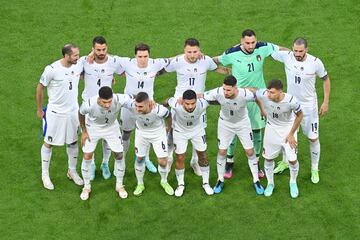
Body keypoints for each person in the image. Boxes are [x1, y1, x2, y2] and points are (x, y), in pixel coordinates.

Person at [213, 29, 284, 179]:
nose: (251, 46)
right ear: (241, 42)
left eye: (253, 42)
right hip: (238, 98)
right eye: (247, 43)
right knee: (232, 131)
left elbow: (280, 49)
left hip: (258, 97)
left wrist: (294, 56)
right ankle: (230, 162)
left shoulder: (262, 47)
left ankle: (256, 162)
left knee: (257, 131)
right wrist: (222, 70)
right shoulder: (232, 52)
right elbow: (215, 61)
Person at [165, 38, 229, 176]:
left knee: (198, 131)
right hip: (179, 102)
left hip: (198, 102)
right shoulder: (177, 61)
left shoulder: (205, 60)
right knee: (172, 130)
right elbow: (162, 67)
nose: (192, 55)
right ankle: (169, 157)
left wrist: (231, 71)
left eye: (195, 51)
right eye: (189, 52)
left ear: (199, 50)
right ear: (184, 51)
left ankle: (195, 161)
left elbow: (217, 68)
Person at [271, 38, 330, 183]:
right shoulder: (287, 56)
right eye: (295, 50)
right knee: (287, 135)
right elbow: (269, 48)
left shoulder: (316, 62)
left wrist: (326, 101)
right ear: (292, 48)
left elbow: (326, 80)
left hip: (309, 106)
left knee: (312, 137)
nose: (297, 54)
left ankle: (314, 169)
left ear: (306, 50)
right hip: (290, 104)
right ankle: (285, 161)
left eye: (300, 51)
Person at [204, 75, 264, 195]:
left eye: (228, 90)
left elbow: (257, 97)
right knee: (222, 151)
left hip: (243, 124)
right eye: (224, 89)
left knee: (250, 152)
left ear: (235, 88)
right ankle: (220, 180)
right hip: (225, 124)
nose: (225, 92)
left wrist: (262, 110)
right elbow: (202, 96)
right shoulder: (218, 91)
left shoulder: (245, 94)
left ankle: (256, 180)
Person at [36, 44, 84, 190]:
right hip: (55, 114)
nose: (77, 57)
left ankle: (72, 171)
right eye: (75, 55)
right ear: (66, 56)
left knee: (73, 142)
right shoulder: (51, 70)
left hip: (73, 113)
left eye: (78, 54)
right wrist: (39, 109)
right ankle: (45, 174)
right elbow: (40, 87)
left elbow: (90, 58)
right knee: (48, 143)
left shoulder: (78, 64)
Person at [117, 43, 170, 174]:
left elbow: (173, 59)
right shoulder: (127, 63)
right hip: (129, 105)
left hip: (148, 106)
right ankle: (121, 161)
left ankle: (145, 159)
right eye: (140, 56)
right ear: (135, 56)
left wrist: (190, 55)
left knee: (148, 133)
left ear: (149, 55)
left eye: (145, 56)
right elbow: (108, 57)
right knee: (126, 133)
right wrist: (91, 55)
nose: (143, 59)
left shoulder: (155, 63)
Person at [81, 36, 124, 181]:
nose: (101, 52)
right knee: (90, 141)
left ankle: (105, 163)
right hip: (90, 107)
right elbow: (75, 71)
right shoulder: (85, 61)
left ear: (107, 48)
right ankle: (91, 164)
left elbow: (125, 72)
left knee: (107, 139)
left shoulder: (113, 62)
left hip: (107, 105)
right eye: (98, 50)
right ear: (92, 49)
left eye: (104, 49)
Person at [78, 87, 131, 200]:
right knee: (87, 155)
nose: (107, 105)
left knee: (119, 154)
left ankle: (119, 185)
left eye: (109, 101)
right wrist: (83, 131)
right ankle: (86, 187)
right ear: (99, 99)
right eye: (104, 102)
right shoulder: (89, 104)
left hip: (111, 127)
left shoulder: (118, 98)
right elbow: (81, 113)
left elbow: (133, 98)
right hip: (93, 128)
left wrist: (147, 101)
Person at [253, 79, 303, 198]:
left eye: (272, 92)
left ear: (280, 92)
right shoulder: (265, 95)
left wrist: (291, 134)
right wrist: (262, 109)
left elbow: (300, 115)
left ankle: (293, 182)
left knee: (292, 160)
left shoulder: (291, 101)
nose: (269, 95)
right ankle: (270, 183)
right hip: (271, 129)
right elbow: (253, 91)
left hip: (288, 129)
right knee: (268, 159)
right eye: (269, 92)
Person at [163, 90, 213, 197]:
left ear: (196, 101)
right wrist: (157, 106)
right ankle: (180, 185)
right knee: (180, 157)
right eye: (187, 103)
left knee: (203, 155)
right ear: (183, 101)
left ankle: (206, 183)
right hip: (180, 132)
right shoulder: (176, 104)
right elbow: (167, 101)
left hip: (197, 130)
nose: (190, 106)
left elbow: (216, 99)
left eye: (192, 103)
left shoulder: (202, 103)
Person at [123, 92, 174, 196]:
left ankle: (164, 181)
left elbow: (169, 115)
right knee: (140, 158)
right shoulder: (132, 105)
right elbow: (122, 97)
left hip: (158, 135)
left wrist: (169, 128)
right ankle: (140, 184)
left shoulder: (158, 110)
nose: (137, 109)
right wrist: (133, 95)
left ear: (148, 104)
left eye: (141, 106)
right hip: (141, 134)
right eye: (136, 106)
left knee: (163, 162)